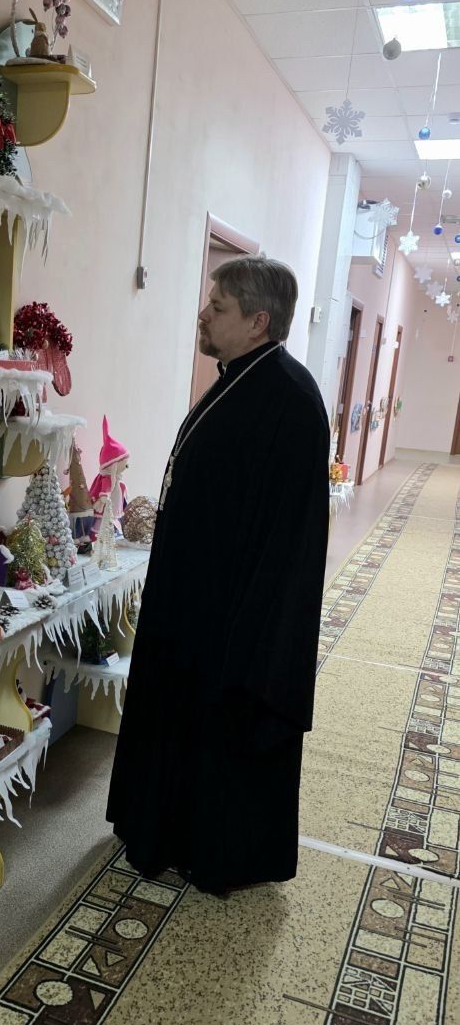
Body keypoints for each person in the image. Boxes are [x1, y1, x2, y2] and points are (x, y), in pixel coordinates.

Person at [107, 255, 330, 896]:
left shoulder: (291, 399)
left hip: (236, 617)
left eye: (219, 307)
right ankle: (162, 830)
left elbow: (289, 542)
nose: (203, 314)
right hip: (191, 598)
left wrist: (251, 632)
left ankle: (215, 853)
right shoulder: (238, 377)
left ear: (258, 321)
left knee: (222, 733)